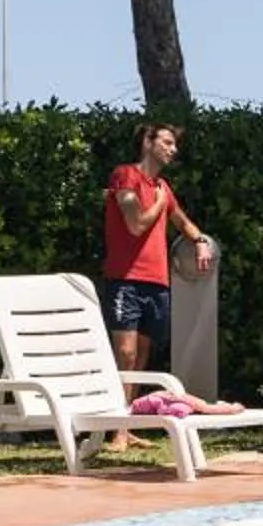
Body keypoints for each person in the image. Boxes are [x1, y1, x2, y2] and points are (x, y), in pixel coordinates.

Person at [101, 122, 214, 451]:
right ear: (147, 143)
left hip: (157, 282)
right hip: (125, 278)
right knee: (125, 354)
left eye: (174, 144)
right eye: (166, 142)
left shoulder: (163, 186)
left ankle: (128, 425)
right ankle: (117, 431)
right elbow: (136, 224)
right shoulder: (125, 176)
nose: (173, 149)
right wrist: (159, 201)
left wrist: (200, 240)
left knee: (142, 358)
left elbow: (182, 220)